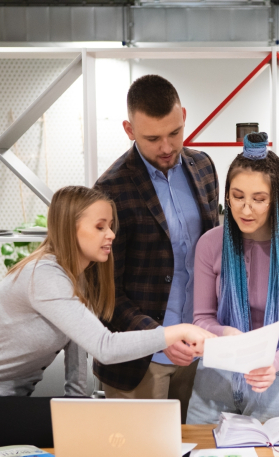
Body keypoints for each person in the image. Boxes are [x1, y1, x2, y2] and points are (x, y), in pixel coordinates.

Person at [0, 186, 213, 448]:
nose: (111, 235)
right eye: (100, 226)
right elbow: (105, 347)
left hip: (1, 401)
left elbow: (77, 371)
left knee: (101, 420)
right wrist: (175, 332)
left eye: (111, 226)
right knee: (109, 422)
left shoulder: (78, 279)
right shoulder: (43, 275)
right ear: (71, 229)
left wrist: (80, 412)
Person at [92, 75, 219, 423]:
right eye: (152, 138)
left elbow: (212, 255)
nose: (166, 146)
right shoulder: (110, 189)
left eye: (174, 133)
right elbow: (105, 293)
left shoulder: (204, 167)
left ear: (184, 116)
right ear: (129, 129)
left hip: (198, 353)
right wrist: (158, 337)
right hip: (140, 362)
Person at [187, 132, 279, 424]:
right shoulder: (210, 245)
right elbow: (201, 318)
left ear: (276, 201)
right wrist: (227, 334)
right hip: (216, 377)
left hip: (276, 379)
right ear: (227, 196)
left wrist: (270, 365)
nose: (246, 209)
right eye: (237, 197)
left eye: (259, 199)